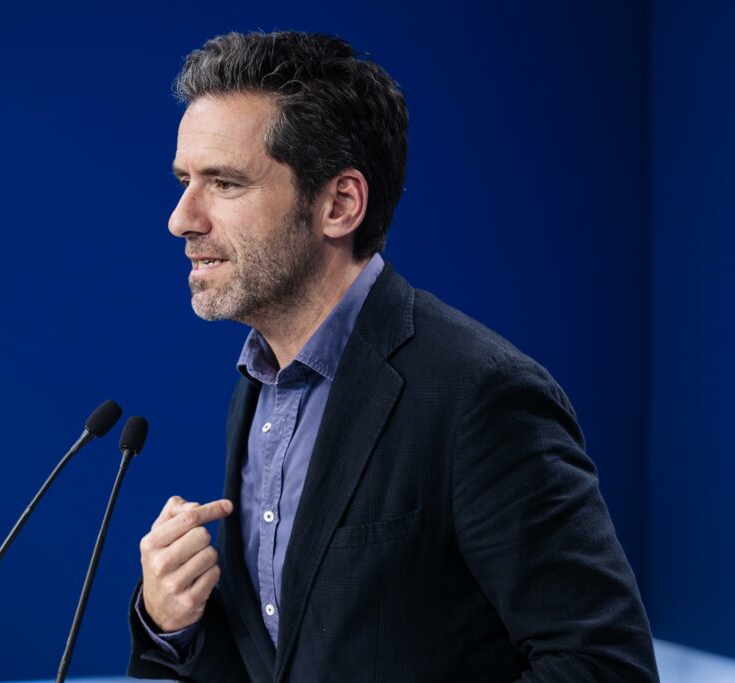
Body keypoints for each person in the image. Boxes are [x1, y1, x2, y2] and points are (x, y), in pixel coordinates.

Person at [128, 31, 659, 682]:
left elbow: (604, 667)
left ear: (339, 204)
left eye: (225, 183)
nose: (181, 218)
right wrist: (174, 624)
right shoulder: (261, 382)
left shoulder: (480, 394)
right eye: (185, 181)